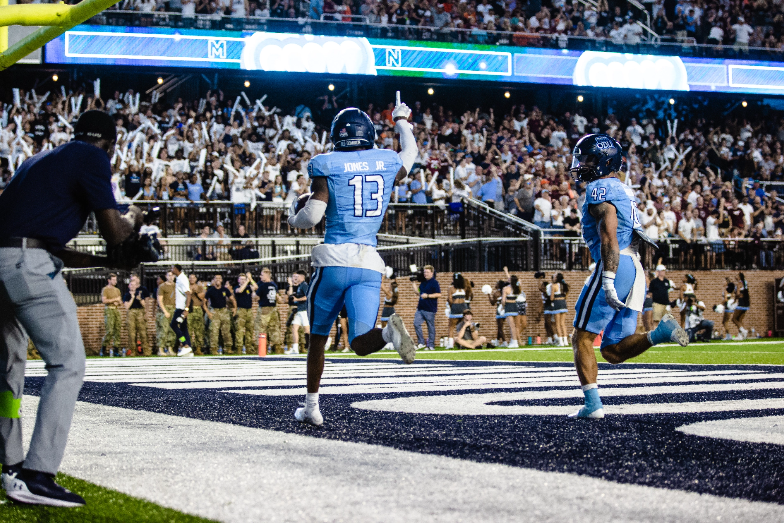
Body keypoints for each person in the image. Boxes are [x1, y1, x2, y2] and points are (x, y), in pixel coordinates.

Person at [0, 110, 145, 506]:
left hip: (5, 261)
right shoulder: (91, 157)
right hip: (26, 265)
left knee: (8, 369)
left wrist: (107, 264)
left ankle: (10, 465)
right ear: (111, 145)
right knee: (68, 363)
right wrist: (134, 216)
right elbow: (116, 232)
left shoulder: (38, 161)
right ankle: (38, 473)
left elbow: (38, 241)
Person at [287, 100, 418, 426]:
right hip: (368, 263)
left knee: (318, 337)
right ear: (368, 134)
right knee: (360, 341)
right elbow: (411, 152)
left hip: (332, 261)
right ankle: (388, 335)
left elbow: (313, 215)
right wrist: (401, 121)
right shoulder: (386, 160)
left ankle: (312, 407)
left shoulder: (325, 163)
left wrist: (292, 214)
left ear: (336, 136)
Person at [569, 134, 688, 419]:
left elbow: (609, 231)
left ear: (603, 162)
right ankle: (662, 332)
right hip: (635, 267)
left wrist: (608, 277)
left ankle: (592, 405)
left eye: (588, 160)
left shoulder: (599, 188)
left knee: (581, 337)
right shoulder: (620, 187)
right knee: (612, 351)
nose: (582, 165)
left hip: (617, 262)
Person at [205, 274, 235, 355]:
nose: (218, 280)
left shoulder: (225, 289)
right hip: (214, 311)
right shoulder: (211, 290)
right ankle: (214, 349)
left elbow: (232, 299)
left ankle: (228, 348)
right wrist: (208, 312)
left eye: (219, 278)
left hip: (224, 311)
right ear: (214, 280)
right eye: (216, 278)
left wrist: (235, 308)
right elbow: (204, 302)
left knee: (226, 331)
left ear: (222, 280)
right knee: (214, 331)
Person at [255, 268, 283, 354]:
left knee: (261, 328)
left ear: (267, 275)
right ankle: (277, 347)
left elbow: (256, 298)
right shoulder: (274, 285)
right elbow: (278, 298)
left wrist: (254, 292)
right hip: (273, 308)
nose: (260, 276)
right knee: (274, 329)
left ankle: (262, 348)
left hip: (264, 309)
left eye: (262, 275)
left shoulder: (262, 285)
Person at [413, 265, 441, 351]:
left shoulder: (434, 282)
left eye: (427, 272)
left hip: (430, 308)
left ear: (432, 273)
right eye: (425, 272)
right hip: (420, 307)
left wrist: (428, 296)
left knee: (430, 327)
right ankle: (421, 342)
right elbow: (418, 292)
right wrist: (413, 282)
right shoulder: (423, 282)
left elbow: (438, 294)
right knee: (416, 323)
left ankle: (431, 345)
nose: (425, 274)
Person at [123, 274, 151, 356]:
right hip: (131, 312)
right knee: (132, 333)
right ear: (129, 285)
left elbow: (144, 304)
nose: (133, 286)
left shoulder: (140, 292)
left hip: (140, 312)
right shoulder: (127, 294)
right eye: (131, 284)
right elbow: (127, 307)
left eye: (134, 284)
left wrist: (140, 299)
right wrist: (132, 297)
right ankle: (133, 351)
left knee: (143, 332)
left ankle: (146, 350)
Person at [169, 264, 193, 357]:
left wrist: (186, 309)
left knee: (174, 325)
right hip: (181, 307)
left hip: (181, 308)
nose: (171, 270)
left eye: (172, 268)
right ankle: (189, 349)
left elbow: (188, 294)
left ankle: (185, 344)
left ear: (176, 269)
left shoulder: (182, 279)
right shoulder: (179, 278)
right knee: (183, 328)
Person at [234, 272, 258, 355]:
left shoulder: (248, 287)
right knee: (239, 330)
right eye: (242, 279)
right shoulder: (236, 287)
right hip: (241, 310)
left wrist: (250, 279)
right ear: (238, 280)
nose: (244, 281)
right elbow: (240, 291)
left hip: (249, 310)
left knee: (250, 330)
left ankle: (249, 348)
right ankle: (239, 348)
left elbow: (256, 287)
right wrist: (247, 281)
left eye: (244, 279)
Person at [287, 270, 310, 355]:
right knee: (294, 328)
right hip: (299, 310)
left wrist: (297, 299)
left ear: (302, 277)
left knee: (307, 330)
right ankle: (295, 348)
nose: (297, 278)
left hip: (304, 310)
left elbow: (307, 297)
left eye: (298, 276)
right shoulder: (300, 286)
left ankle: (312, 345)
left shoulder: (304, 285)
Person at [101, 273, 123, 357]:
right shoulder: (105, 289)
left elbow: (120, 301)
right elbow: (104, 300)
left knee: (117, 330)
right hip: (109, 310)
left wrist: (119, 302)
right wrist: (114, 300)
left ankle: (116, 349)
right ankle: (103, 349)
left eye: (115, 280)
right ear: (109, 280)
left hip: (116, 310)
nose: (115, 281)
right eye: (113, 280)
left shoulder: (117, 290)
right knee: (109, 330)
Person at [446, 273, 470, 349]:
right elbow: (468, 297)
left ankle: (450, 345)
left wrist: (452, 307)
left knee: (451, 326)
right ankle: (463, 343)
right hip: (464, 307)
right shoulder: (464, 288)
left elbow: (450, 300)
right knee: (463, 326)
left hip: (455, 308)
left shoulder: (451, 288)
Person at [156, 271, 176, 356]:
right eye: (169, 275)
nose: (171, 277)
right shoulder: (162, 286)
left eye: (172, 275)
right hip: (165, 308)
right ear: (166, 276)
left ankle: (170, 348)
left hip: (174, 308)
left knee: (172, 330)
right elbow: (160, 300)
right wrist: (165, 311)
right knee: (163, 330)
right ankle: (161, 349)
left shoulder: (176, 286)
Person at [188, 274, 207, 355]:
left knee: (199, 330)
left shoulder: (199, 287)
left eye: (193, 278)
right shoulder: (186, 286)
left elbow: (202, 297)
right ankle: (188, 348)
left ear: (196, 279)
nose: (192, 279)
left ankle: (198, 348)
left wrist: (196, 292)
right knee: (188, 329)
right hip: (188, 309)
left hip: (198, 309)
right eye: (190, 278)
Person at [501, 269, 521, 348]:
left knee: (511, 326)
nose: (507, 279)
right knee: (515, 326)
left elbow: (503, 300)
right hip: (515, 306)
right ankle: (514, 341)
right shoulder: (517, 287)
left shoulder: (505, 288)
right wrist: (506, 272)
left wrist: (502, 307)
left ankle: (515, 342)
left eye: (509, 279)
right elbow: (514, 280)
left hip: (509, 306)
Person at [549, 273, 569, 347]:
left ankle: (561, 341)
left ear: (556, 278)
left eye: (554, 277)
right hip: (563, 303)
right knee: (563, 323)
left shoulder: (554, 286)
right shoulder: (564, 285)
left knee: (557, 323)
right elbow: (566, 296)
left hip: (557, 303)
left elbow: (551, 298)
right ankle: (566, 341)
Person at [732, 272, 750, 340]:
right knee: (740, 320)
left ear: (739, 277)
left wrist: (736, 295)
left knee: (734, 319)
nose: (735, 276)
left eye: (736, 275)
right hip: (746, 303)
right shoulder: (745, 282)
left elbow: (738, 294)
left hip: (741, 303)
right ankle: (740, 336)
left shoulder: (739, 283)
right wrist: (734, 301)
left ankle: (743, 331)